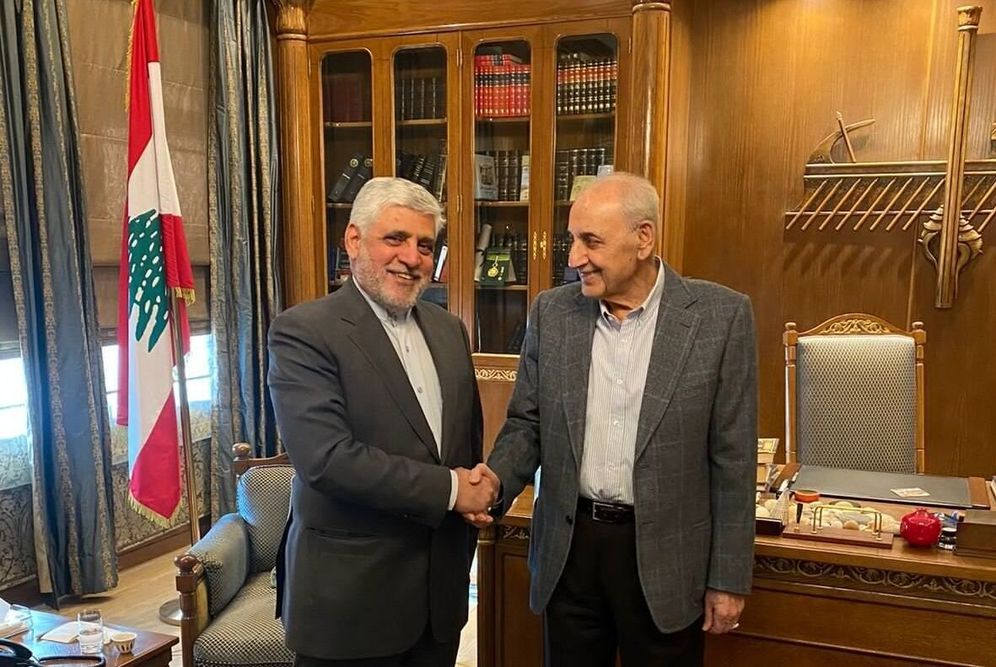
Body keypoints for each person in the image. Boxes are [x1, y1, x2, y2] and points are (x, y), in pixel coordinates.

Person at [468, 172, 758, 666]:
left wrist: (727, 578)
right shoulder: (553, 314)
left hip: (667, 559)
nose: (573, 257)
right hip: (571, 552)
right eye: (572, 239)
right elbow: (527, 424)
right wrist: (494, 483)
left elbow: (733, 459)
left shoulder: (721, 318)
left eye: (590, 241)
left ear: (643, 239)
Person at [268, 177, 496, 667]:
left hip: (439, 605)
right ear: (353, 240)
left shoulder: (450, 329)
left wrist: (474, 496)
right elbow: (327, 460)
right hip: (350, 608)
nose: (412, 257)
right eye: (395, 238)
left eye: (425, 245)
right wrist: (454, 491)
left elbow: (464, 443)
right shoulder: (304, 332)